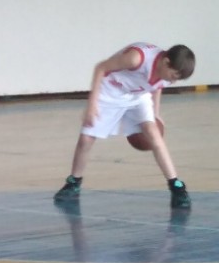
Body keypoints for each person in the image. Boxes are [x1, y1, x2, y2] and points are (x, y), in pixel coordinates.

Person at [53, 42, 195, 209]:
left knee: (153, 133)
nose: (174, 81)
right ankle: (73, 183)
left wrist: (156, 114)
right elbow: (100, 68)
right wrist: (92, 104)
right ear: (166, 62)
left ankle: (177, 187)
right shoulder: (136, 59)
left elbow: (157, 87)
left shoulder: (167, 71)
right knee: (86, 140)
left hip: (138, 96)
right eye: (174, 76)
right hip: (110, 91)